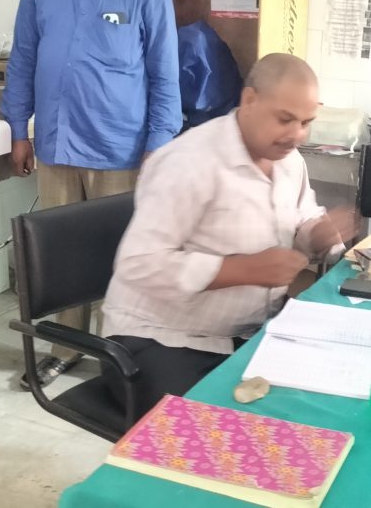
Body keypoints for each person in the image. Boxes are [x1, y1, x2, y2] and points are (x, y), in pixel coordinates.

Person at [100, 53, 357, 418]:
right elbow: (139, 264)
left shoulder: (288, 160)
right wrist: (243, 270)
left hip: (246, 335)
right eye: (285, 119)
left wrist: (318, 234)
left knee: (317, 410)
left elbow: (302, 215)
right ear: (249, 100)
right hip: (158, 339)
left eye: (306, 122)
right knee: (217, 435)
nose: (296, 135)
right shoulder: (190, 162)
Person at [0, 0, 182, 390]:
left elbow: (164, 75)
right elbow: (23, 58)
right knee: (60, 259)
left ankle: (118, 357)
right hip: (56, 144)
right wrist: (18, 129)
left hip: (121, 149)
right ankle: (64, 350)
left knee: (119, 258)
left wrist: (159, 148)